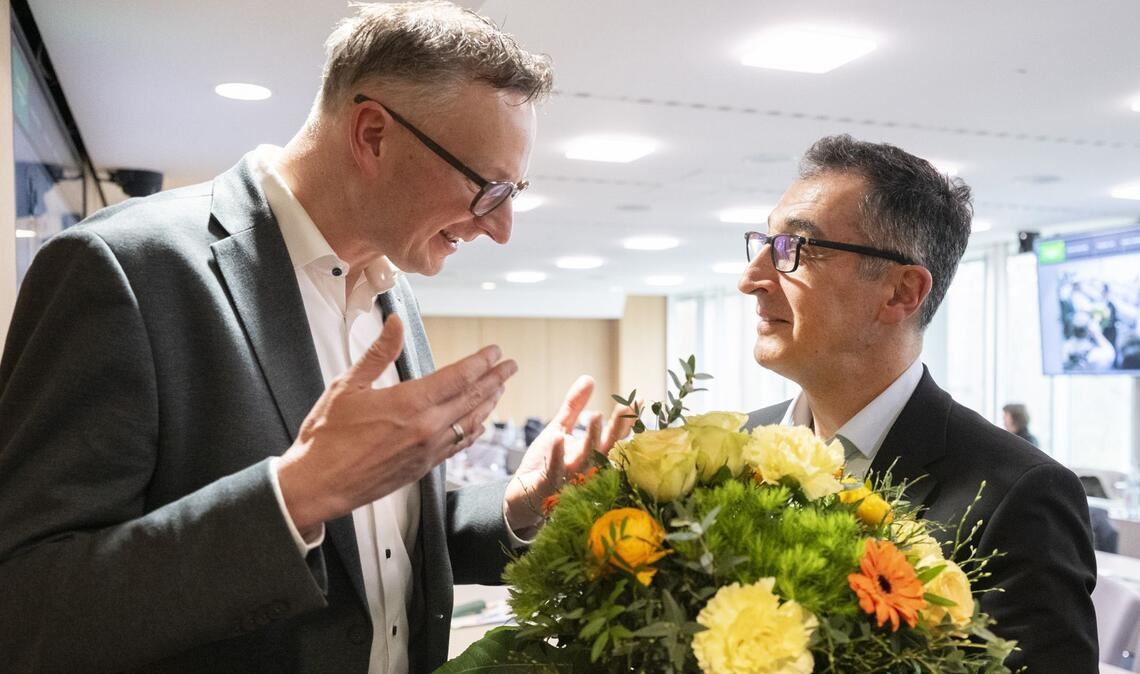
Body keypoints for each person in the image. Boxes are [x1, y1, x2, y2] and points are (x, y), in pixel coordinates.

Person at [0, 3, 627, 672]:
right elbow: (25, 602)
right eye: (489, 188)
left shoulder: (392, 288)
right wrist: (290, 497)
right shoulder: (123, 269)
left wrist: (515, 502)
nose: (502, 227)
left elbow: (377, 538)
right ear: (373, 134)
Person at [739, 135, 1097, 673]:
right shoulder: (739, 447)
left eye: (797, 248)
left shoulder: (1014, 496)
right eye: (764, 244)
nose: (753, 278)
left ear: (902, 292)